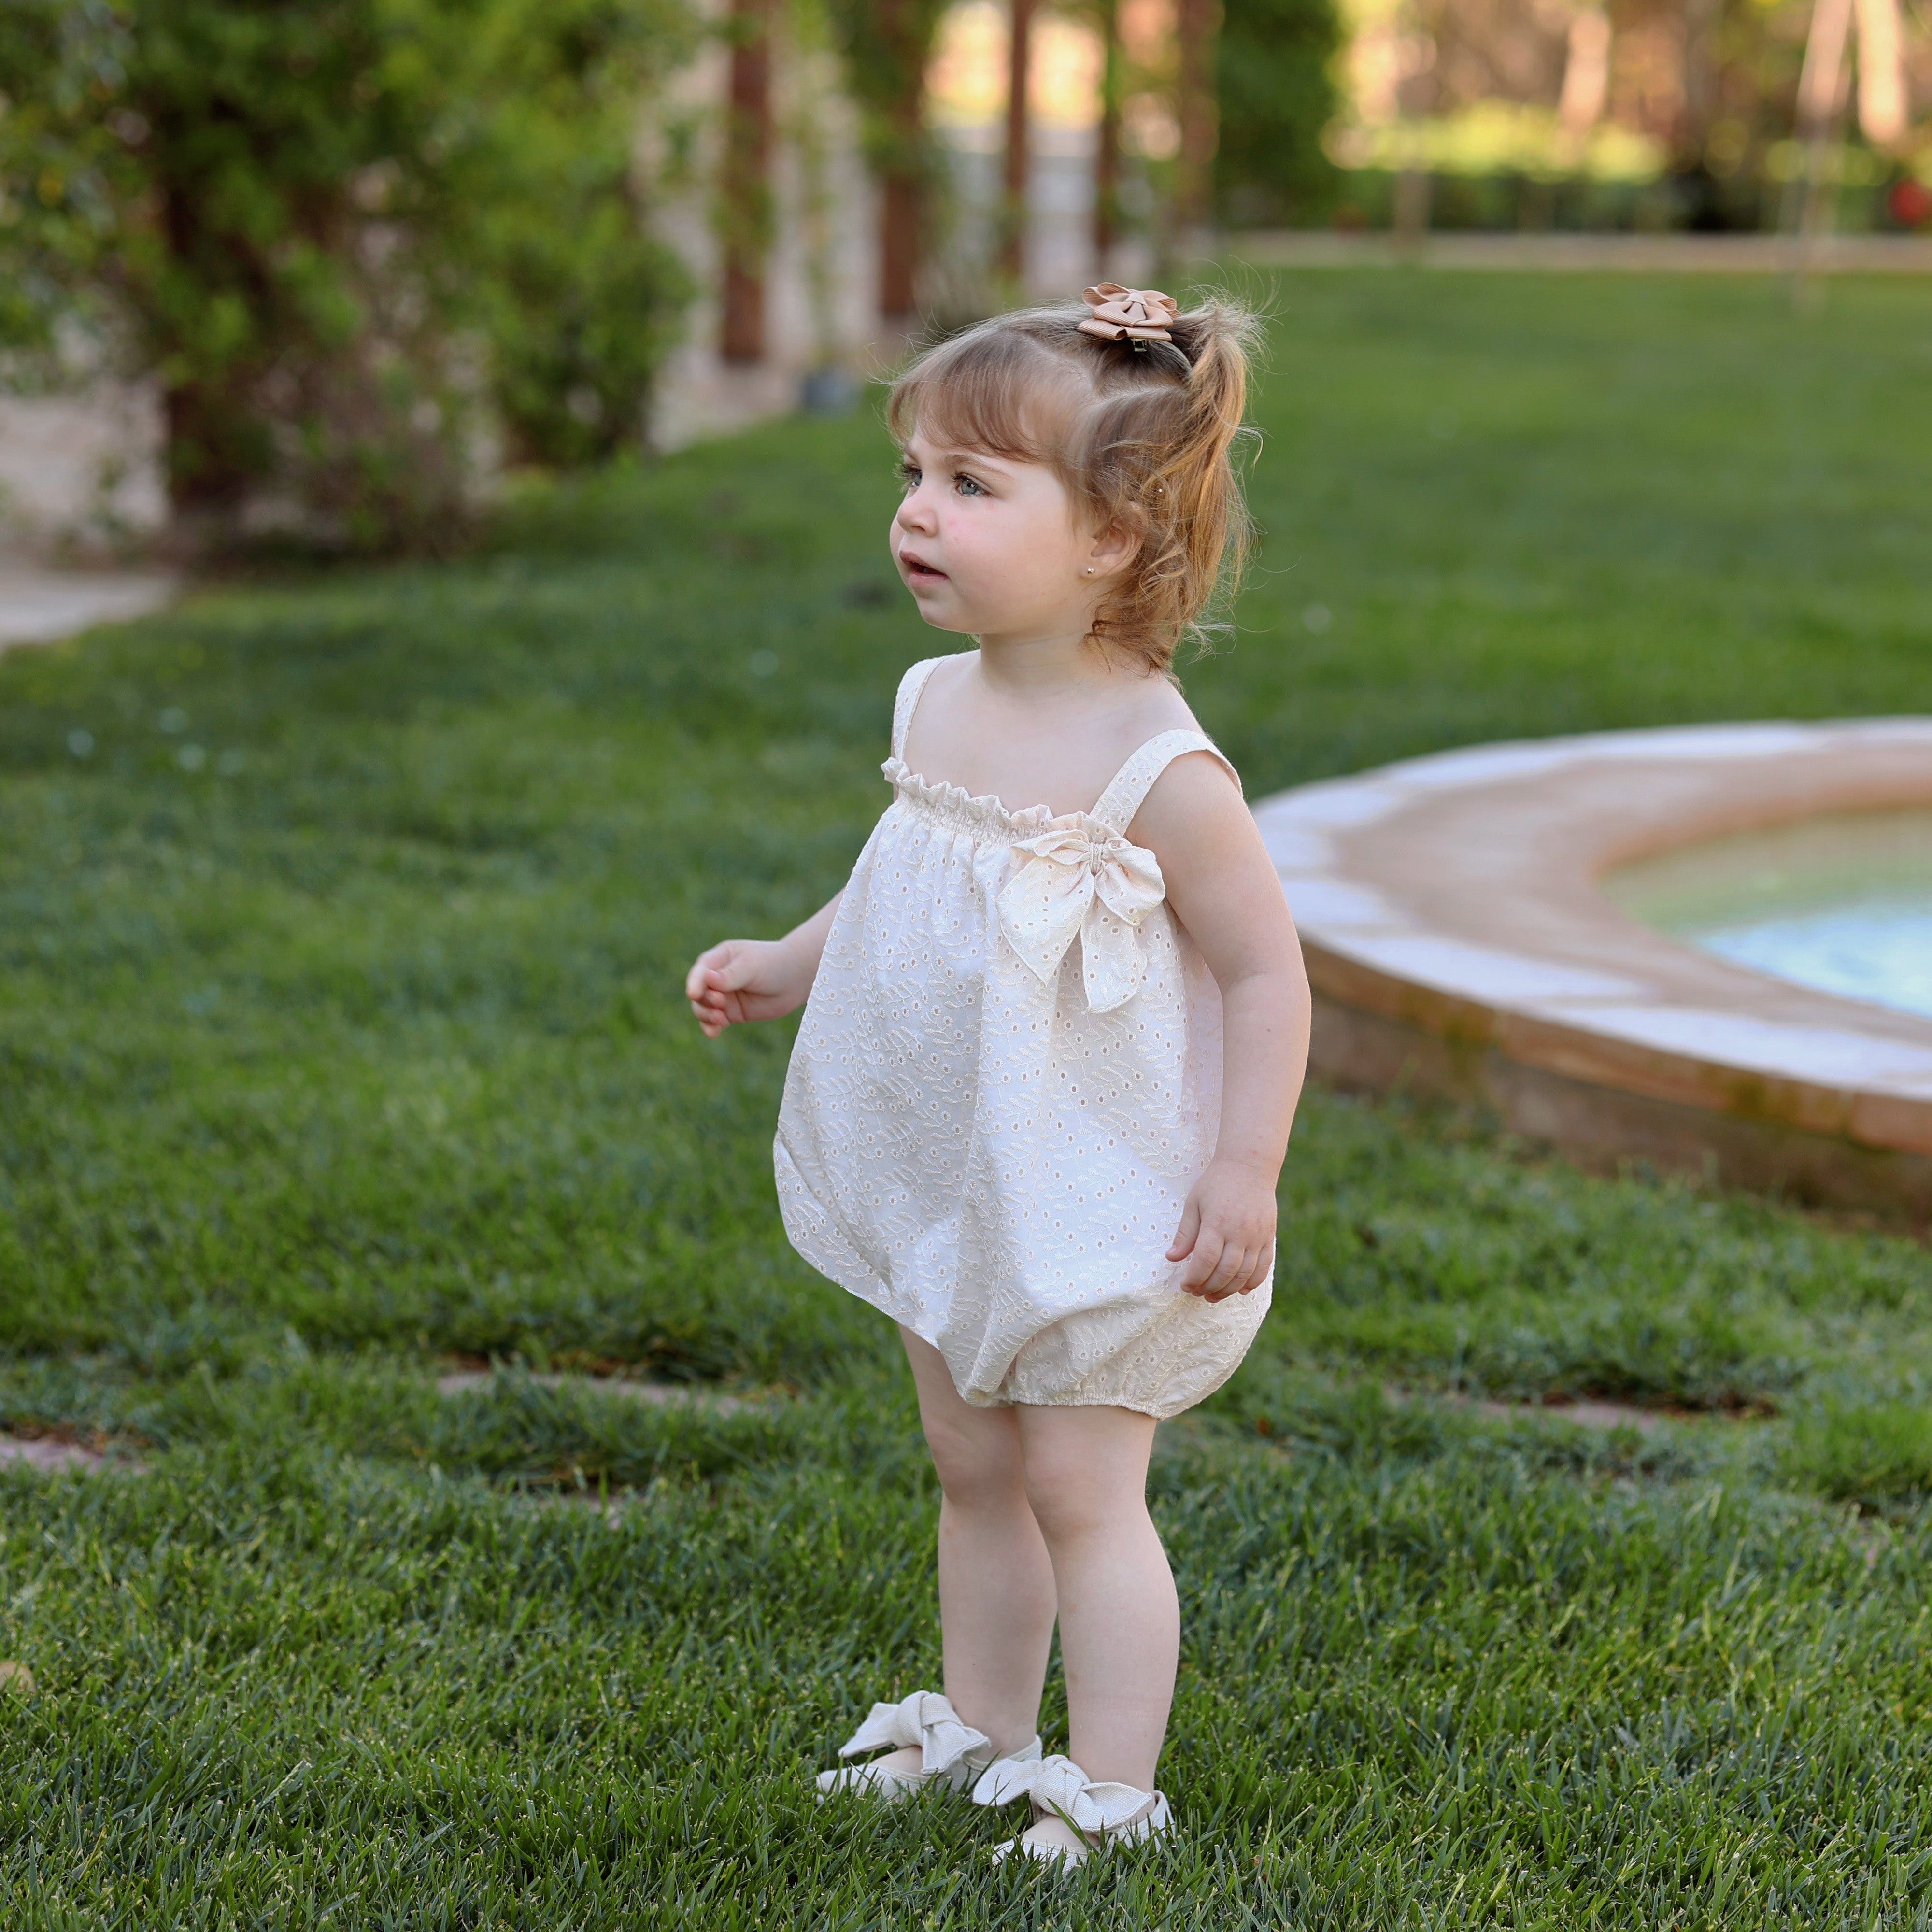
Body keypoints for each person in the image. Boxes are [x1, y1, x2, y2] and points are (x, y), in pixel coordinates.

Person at [685, 284, 1310, 1867]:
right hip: (956, 1159)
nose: (918, 514)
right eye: (911, 475)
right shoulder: (935, 700)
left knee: (1083, 1489)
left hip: (1098, 1188)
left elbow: (1263, 972)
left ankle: (1111, 1791)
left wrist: (1245, 1168)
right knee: (971, 1461)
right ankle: (979, 1720)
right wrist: (789, 958)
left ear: (1111, 535)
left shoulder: (1157, 768)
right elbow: (914, 876)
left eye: (971, 487)